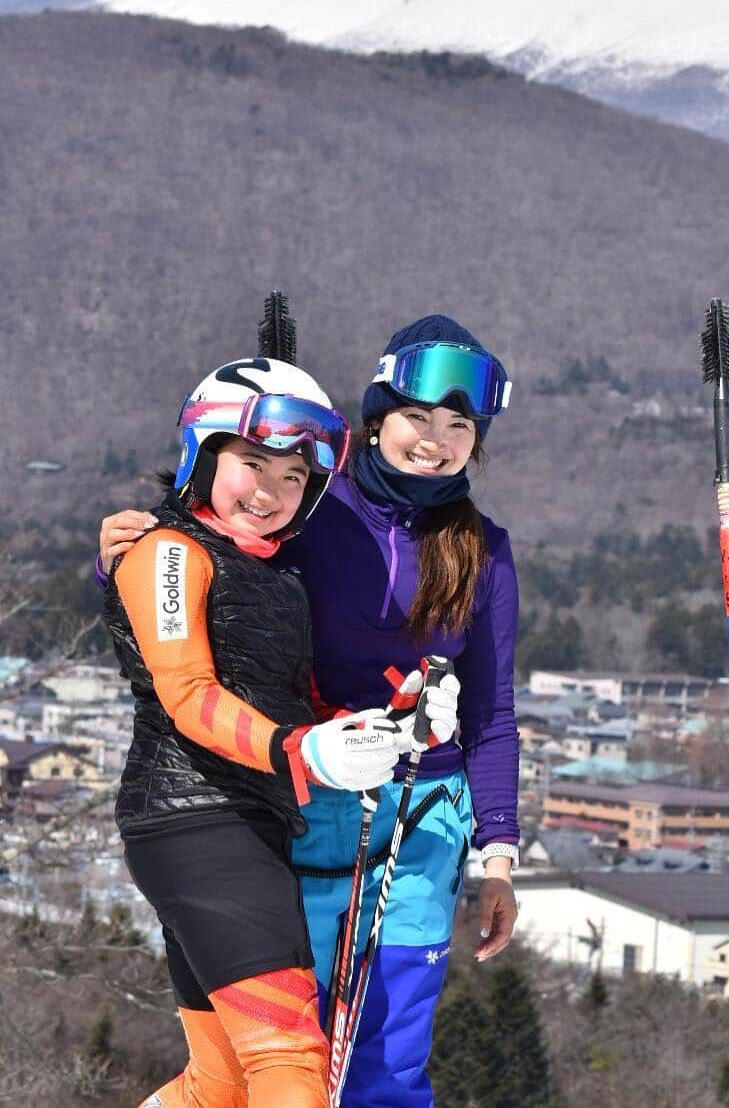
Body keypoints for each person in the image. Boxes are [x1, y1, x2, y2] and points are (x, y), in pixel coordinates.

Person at [100, 316, 521, 1108]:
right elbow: (212, 589)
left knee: (388, 1059)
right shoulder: (307, 511)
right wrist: (118, 558)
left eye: (460, 426)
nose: (436, 441)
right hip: (306, 799)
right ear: (374, 421)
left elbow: (494, 711)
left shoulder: (482, 549)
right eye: (417, 419)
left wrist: (498, 854)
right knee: (290, 1049)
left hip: (423, 816)